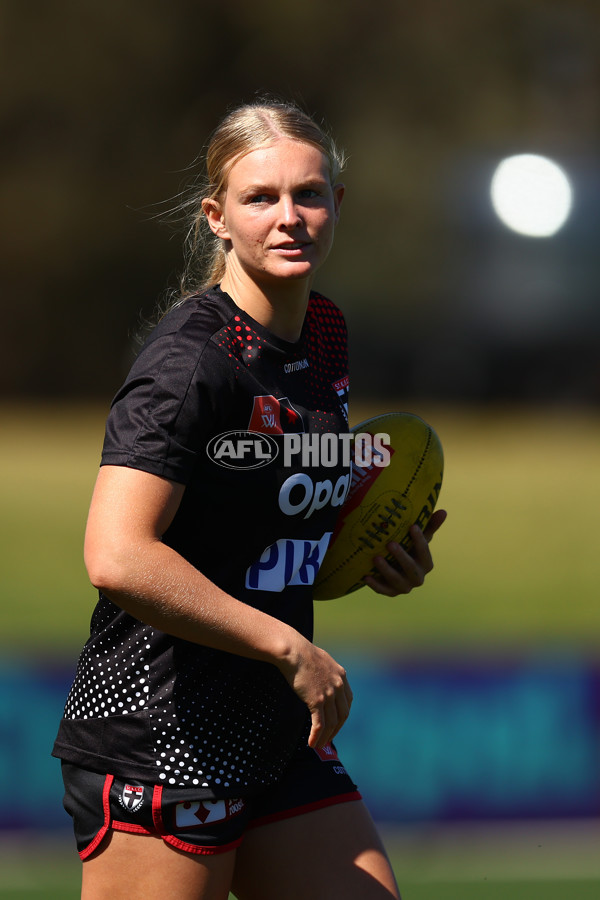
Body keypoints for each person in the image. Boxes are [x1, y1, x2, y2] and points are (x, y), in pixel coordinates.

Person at [53, 97, 446, 900]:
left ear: (339, 204)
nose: (290, 217)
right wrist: (288, 647)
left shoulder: (323, 338)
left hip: (275, 728)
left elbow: (255, 519)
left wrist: (368, 551)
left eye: (309, 194)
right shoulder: (191, 362)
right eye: (261, 198)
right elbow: (117, 556)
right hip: (163, 733)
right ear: (216, 217)